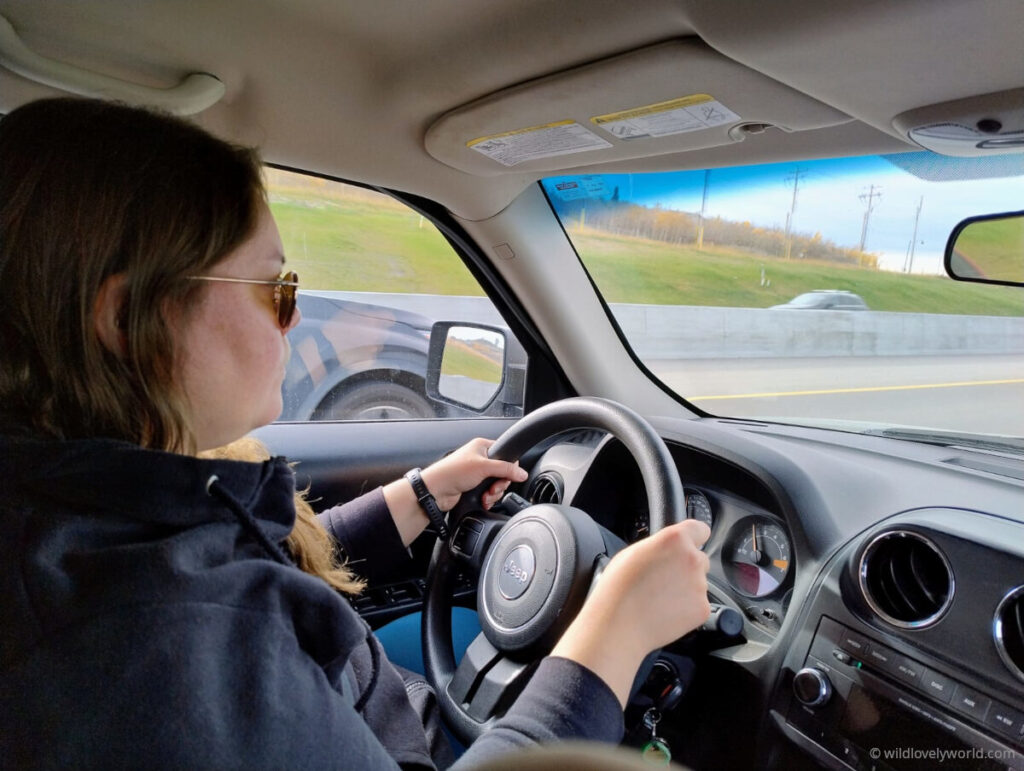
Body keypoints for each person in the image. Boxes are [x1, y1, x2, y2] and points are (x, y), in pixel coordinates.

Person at [0, 97, 711, 769]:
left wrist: (417, 498)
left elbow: (246, 565)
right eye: (275, 288)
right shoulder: (169, 653)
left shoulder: (97, 516)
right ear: (129, 320)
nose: (296, 315)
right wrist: (611, 636)